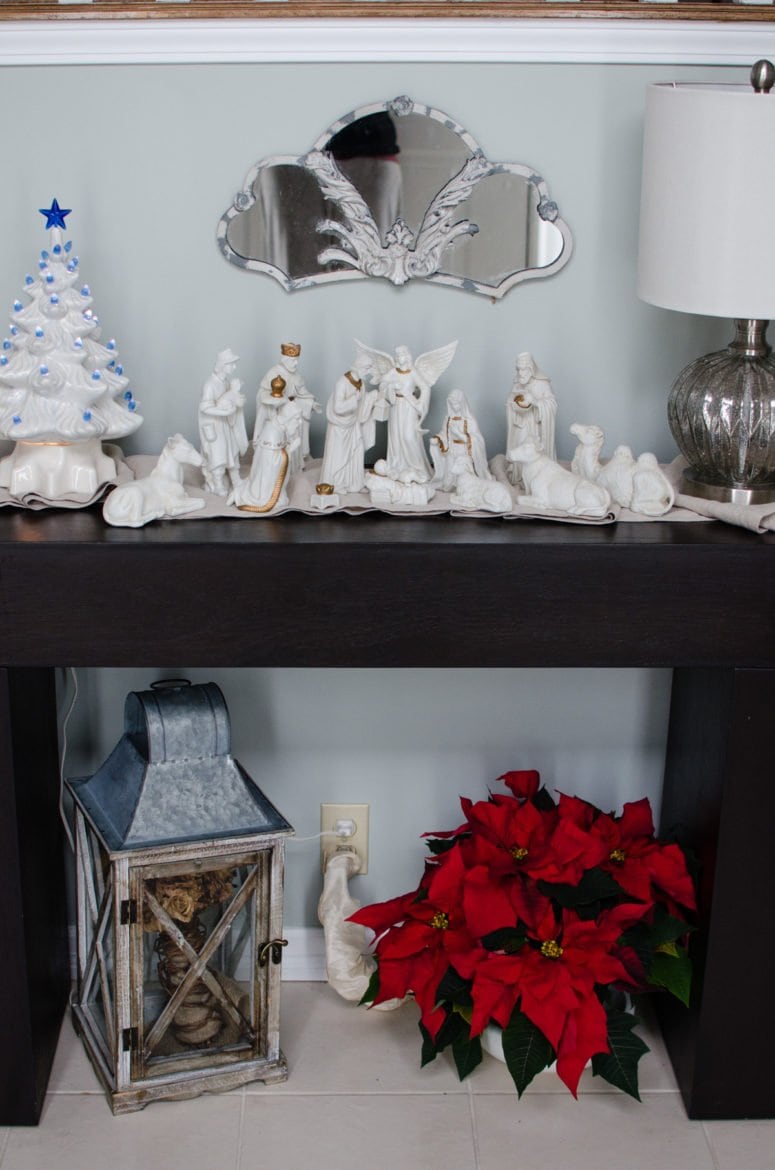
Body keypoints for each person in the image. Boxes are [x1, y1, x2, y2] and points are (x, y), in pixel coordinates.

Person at [253, 342, 320, 474]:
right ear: (285, 359)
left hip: (293, 416)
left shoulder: (296, 375)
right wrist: (277, 401)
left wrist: (310, 403)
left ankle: (295, 466)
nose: (296, 364)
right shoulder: (274, 373)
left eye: (297, 360)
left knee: (295, 439)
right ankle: (280, 468)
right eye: (293, 360)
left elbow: (302, 393)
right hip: (279, 415)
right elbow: (263, 395)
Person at [318, 360, 380, 494]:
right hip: (340, 427)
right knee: (340, 455)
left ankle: (355, 483)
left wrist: (371, 398)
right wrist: (354, 399)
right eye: (366, 368)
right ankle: (337, 484)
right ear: (357, 366)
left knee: (356, 451)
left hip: (353, 423)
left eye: (369, 368)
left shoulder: (361, 383)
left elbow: (361, 407)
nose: (367, 371)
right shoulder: (342, 383)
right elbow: (338, 408)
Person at [198, 348, 248, 495]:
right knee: (218, 454)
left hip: (225, 424)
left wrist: (236, 402)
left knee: (232, 451)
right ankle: (218, 484)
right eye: (231, 364)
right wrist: (224, 411)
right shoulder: (210, 384)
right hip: (214, 426)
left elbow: (229, 399)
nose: (234, 367)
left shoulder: (225, 382)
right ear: (222, 365)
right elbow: (205, 407)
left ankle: (236, 479)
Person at [505, 352, 557, 487]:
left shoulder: (542, 383)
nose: (520, 373)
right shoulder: (517, 383)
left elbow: (551, 405)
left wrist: (534, 401)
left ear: (531, 369)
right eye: (518, 369)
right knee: (519, 449)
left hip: (535, 427)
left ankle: (536, 480)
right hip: (521, 424)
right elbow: (510, 402)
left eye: (523, 369)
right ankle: (520, 478)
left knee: (532, 451)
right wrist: (512, 405)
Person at [430, 389, 492, 492]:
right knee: (450, 471)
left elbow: (477, 439)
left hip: (464, 450)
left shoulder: (469, 420)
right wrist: (437, 439)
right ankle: (448, 484)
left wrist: (459, 434)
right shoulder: (448, 419)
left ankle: (464, 486)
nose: (454, 407)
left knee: (463, 470)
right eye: (452, 404)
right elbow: (444, 434)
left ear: (462, 404)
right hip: (452, 449)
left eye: (457, 404)